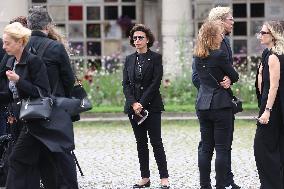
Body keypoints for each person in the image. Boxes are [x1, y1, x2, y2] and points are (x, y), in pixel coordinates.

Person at [27, 7, 78, 189]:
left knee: (35, 155)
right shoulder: (56, 47)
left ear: (29, 25)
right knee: (63, 154)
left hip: (28, 108)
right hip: (56, 108)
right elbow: (69, 79)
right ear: (48, 26)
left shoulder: (21, 46)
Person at [192, 6, 240, 189]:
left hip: (202, 106)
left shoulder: (198, 56)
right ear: (215, 34)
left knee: (206, 148)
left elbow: (201, 77)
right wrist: (226, 79)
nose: (222, 35)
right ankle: (222, 185)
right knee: (221, 148)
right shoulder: (219, 54)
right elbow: (234, 75)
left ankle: (205, 185)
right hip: (220, 104)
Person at [2, 22, 51, 189]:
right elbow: (11, 94)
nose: (4, 46)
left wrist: (19, 80)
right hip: (16, 119)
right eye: (3, 42)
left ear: (20, 42)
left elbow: (42, 92)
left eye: (7, 43)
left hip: (33, 120)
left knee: (15, 159)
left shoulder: (34, 62)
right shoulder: (10, 61)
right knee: (28, 164)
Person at [122, 24, 170, 189]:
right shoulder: (129, 59)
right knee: (140, 143)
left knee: (156, 141)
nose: (137, 40)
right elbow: (126, 84)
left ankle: (164, 177)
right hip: (133, 108)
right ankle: (145, 177)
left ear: (147, 40)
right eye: (134, 38)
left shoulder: (156, 58)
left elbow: (155, 83)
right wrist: (134, 103)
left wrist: (141, 103)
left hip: (152, 107)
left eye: (140, 37)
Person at [254, 20, 284, 189]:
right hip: (276, 106)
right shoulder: (270, 53)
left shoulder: (273, 56)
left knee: (262, 147)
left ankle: (270, 185)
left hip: (272, 107)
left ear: (273, 35)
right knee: (278, 145)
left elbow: (274, 85)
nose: (260, 35)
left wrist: (267, 110)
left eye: (264, 32)